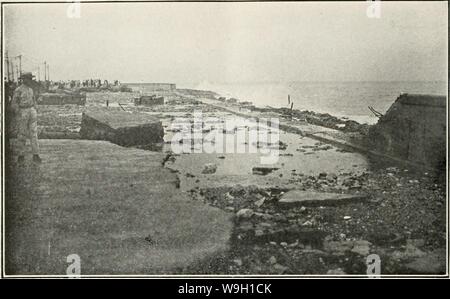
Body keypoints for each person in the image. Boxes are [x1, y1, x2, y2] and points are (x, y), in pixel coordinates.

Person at [11, 72, 41, 163]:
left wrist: (35, 109)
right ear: (23, 79)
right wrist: (18, 112)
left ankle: (36, 155)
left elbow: (34, 100)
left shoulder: (31, 90)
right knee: (22, 134)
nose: (29, 80)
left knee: (34, 133)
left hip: (31, 110)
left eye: (30, 78)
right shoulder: (18, 90)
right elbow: (14, 103)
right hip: (23, 111)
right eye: (28, 78)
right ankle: (21, 156)